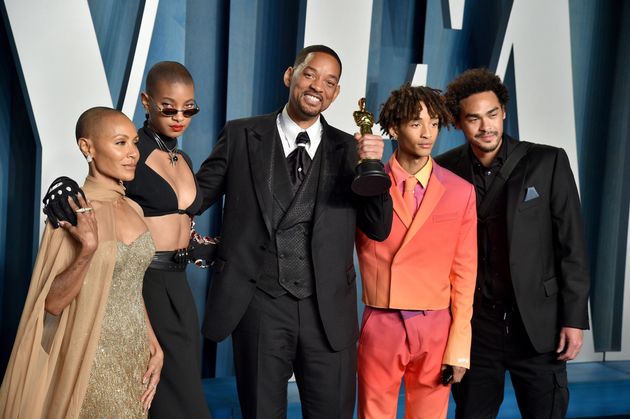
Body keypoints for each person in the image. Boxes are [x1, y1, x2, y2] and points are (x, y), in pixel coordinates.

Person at [195, 44, 393, 418]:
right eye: (310, 74)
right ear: (290, 76)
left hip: (328, 311)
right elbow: (195, 197)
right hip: (259, 305)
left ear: (335, 94)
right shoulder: (241, 135)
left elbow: (379, 228)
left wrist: (374, 167)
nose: (318, 86)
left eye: (330, 82)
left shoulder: (350, 150)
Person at [40, 62, 213, 418]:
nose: (179, 116)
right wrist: (62, 191)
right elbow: (100, 187)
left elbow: (182, 219)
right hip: (146, 282)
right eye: (169, 107)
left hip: (181, 286)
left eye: (189, 108)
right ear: (147, 102)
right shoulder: (130, 152)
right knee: (171, 400)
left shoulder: (182, 157)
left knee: (170, 392)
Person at [435, 68, 590, 418]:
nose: (486, 126)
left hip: (538, 324)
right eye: (473, 118)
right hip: (475, 328)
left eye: (492, 114)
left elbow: (572, 245)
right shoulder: (443, 169)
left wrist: (574, 319)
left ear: (504, 111)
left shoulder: (547, 161)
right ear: (459, 122)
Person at [0, 107, 162, 418]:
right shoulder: (71, 212)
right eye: (120, 143)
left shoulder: (134, 209)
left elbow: (130, 286)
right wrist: (87, 249)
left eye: (134, 143)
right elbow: (51, 304)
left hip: (133, 354)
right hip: (89, 357)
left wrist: (153, 342)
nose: (133, 154)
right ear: (87, 147)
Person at [355, 83, 477, 419]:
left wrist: (459, 347)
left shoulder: (460, 191)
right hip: (381, 319)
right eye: (415, 123)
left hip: (437, 324)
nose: (428, 133)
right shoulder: (367, 181)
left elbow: (465, 274)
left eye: (434, 123)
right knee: (373, 414)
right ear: (393, 128)